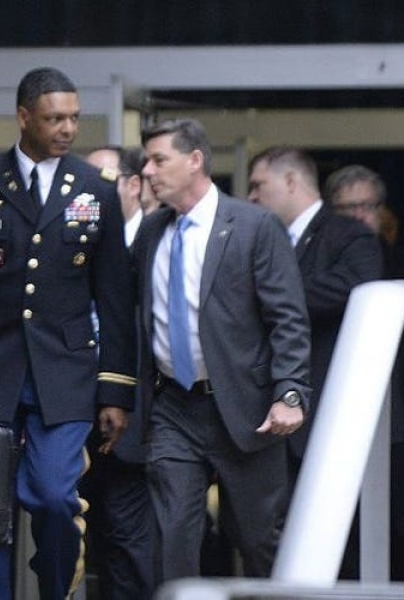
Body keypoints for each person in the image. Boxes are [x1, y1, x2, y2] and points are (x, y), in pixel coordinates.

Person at [0, 66, 137, 600]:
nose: (67, 129)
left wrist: (116, 391)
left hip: (65, 376)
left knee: (53, 497)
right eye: (54, 119)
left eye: (74, 118)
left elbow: (115, 297)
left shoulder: (96, 188)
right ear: (24, 117)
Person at [132, 118, 310, 586]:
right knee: (173, 536)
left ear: (195, 160)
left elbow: (287, 318)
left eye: (159, 160)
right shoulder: (151, 231)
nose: (147, 171)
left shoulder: (254, 225)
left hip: (247, 407)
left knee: (257, 538)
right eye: (147, 161)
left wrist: (290, 393)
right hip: (174, 407)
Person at [247, 147, 382, 488]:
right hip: (273, 419)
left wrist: (269, 296)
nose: (252, 197)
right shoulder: (261, 240)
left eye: (259, 185)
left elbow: (355, 286)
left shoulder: (349, 233)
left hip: (333, 411)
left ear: (291, 181)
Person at [81, 145, 155, 600]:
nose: (90, 194)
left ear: (133, 186)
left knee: (131, 541)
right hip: (78, 415)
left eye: (102, 183)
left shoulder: (157, 238)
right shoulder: (76, 242)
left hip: (139, 417)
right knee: (94, 539)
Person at [324, 163, 404, 581]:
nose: (358, 216)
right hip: (341, 409)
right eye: (347, 208)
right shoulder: (322, 261)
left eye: (367, 206)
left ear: (382, 209)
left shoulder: (395, 257)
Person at [86, 145, 149, 246]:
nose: (91, 189)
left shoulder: (155, 233)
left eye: (104, 181)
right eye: (86, 182)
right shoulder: (83, 235)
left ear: (134, 186)